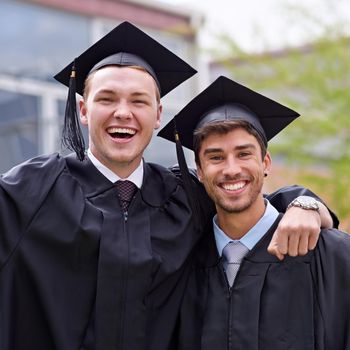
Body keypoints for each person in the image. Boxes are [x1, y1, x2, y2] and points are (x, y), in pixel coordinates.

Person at [0, 23, 336, 350]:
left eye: (138, 101)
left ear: (158, 114)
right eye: (107, 99)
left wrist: (304, 202)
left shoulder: (182, 197)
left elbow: (242, 199)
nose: (123, 112)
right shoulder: (34, 190)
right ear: (84, 110)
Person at [159, 76, 350, 349]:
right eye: (215, 157)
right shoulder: (183, 261)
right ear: (199, 172)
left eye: (244, 154)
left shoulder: (329, 254)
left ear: (265, 163)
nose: (231, 169)